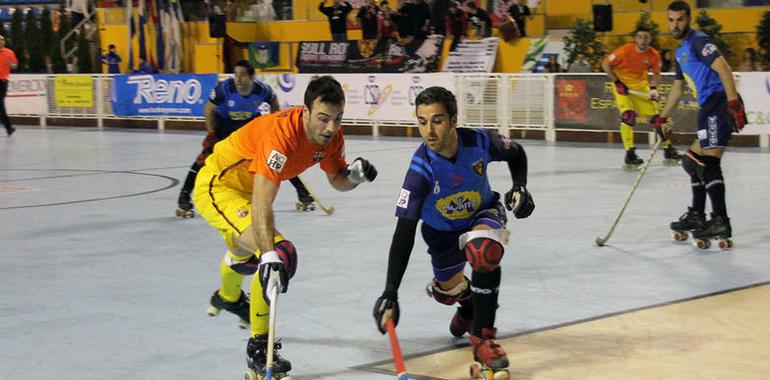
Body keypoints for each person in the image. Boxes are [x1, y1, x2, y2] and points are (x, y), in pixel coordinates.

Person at [194, 76, 377, 378]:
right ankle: (258, 350)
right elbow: (262, 202)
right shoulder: (281, 135)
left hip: (246, 193)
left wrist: (354, 177)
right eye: (322, 119)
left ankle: (227, 297)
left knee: (247, 254)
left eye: (337, 119)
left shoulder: (332, 137)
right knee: (277, 254)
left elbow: (336, 180)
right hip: (219, 186)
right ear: (305, 112)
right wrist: (269, 256)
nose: (330, 128)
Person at [372, 86, 534, 377]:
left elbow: (516, 153)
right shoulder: (420, 171)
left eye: (437, 120)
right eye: (422, 122)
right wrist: (390, 291)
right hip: (440, 233)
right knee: (447, 292)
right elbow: (403, 234)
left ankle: (485, 339)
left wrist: (519, 186)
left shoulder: (480, 141)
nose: (429, 131)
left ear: (453, 120)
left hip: (483, 214)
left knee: (485, 251)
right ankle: (468, 306)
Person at [655, 1, 746, 245]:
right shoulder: (680, 51)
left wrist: (733, 103)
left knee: (709, 164)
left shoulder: (698, 41)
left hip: (719, 103)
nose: (676, 24)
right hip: (707, 108)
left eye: (680, 19)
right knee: (691, 161)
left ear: (689, 19)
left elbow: (724, 69)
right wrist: (662, 117)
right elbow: (677, 87)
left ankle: (720, 220)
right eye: (671, 20)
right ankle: (697, 215)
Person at [175, 60, 317, 217]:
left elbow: (274, 104)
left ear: (252, 77)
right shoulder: (224, 89)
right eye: (236, 75)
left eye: (242, 75)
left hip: (250, 125)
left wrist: (275, 125)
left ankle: (304, 195)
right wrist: (212, 133)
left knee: (276, 159)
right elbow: (209, 110)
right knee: (204, 159)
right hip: (225, 125)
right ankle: (184, 197)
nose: (238, 79)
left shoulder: (262, 90)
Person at [602, 26, 683, 170]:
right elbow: (605, 64)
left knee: (657, 121)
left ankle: (668, 149)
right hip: (623, 88)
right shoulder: (624, 51)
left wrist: (653, 88)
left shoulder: (654, 55)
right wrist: (616, 81)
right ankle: (630, 154)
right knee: (628, 116)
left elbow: (656, 74)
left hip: (641, 87)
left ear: (650, 39)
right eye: (640, 37)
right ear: (636, 39)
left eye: (646, 37)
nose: (643, 40)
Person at [0, 35, 18, 137]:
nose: (1, 42)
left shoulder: (9, 52)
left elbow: (15, 65)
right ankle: (9, 127)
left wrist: (11, 65)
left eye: (2, 40)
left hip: (3, 82)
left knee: (1, 106)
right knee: (1, 106)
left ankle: (9, 128)